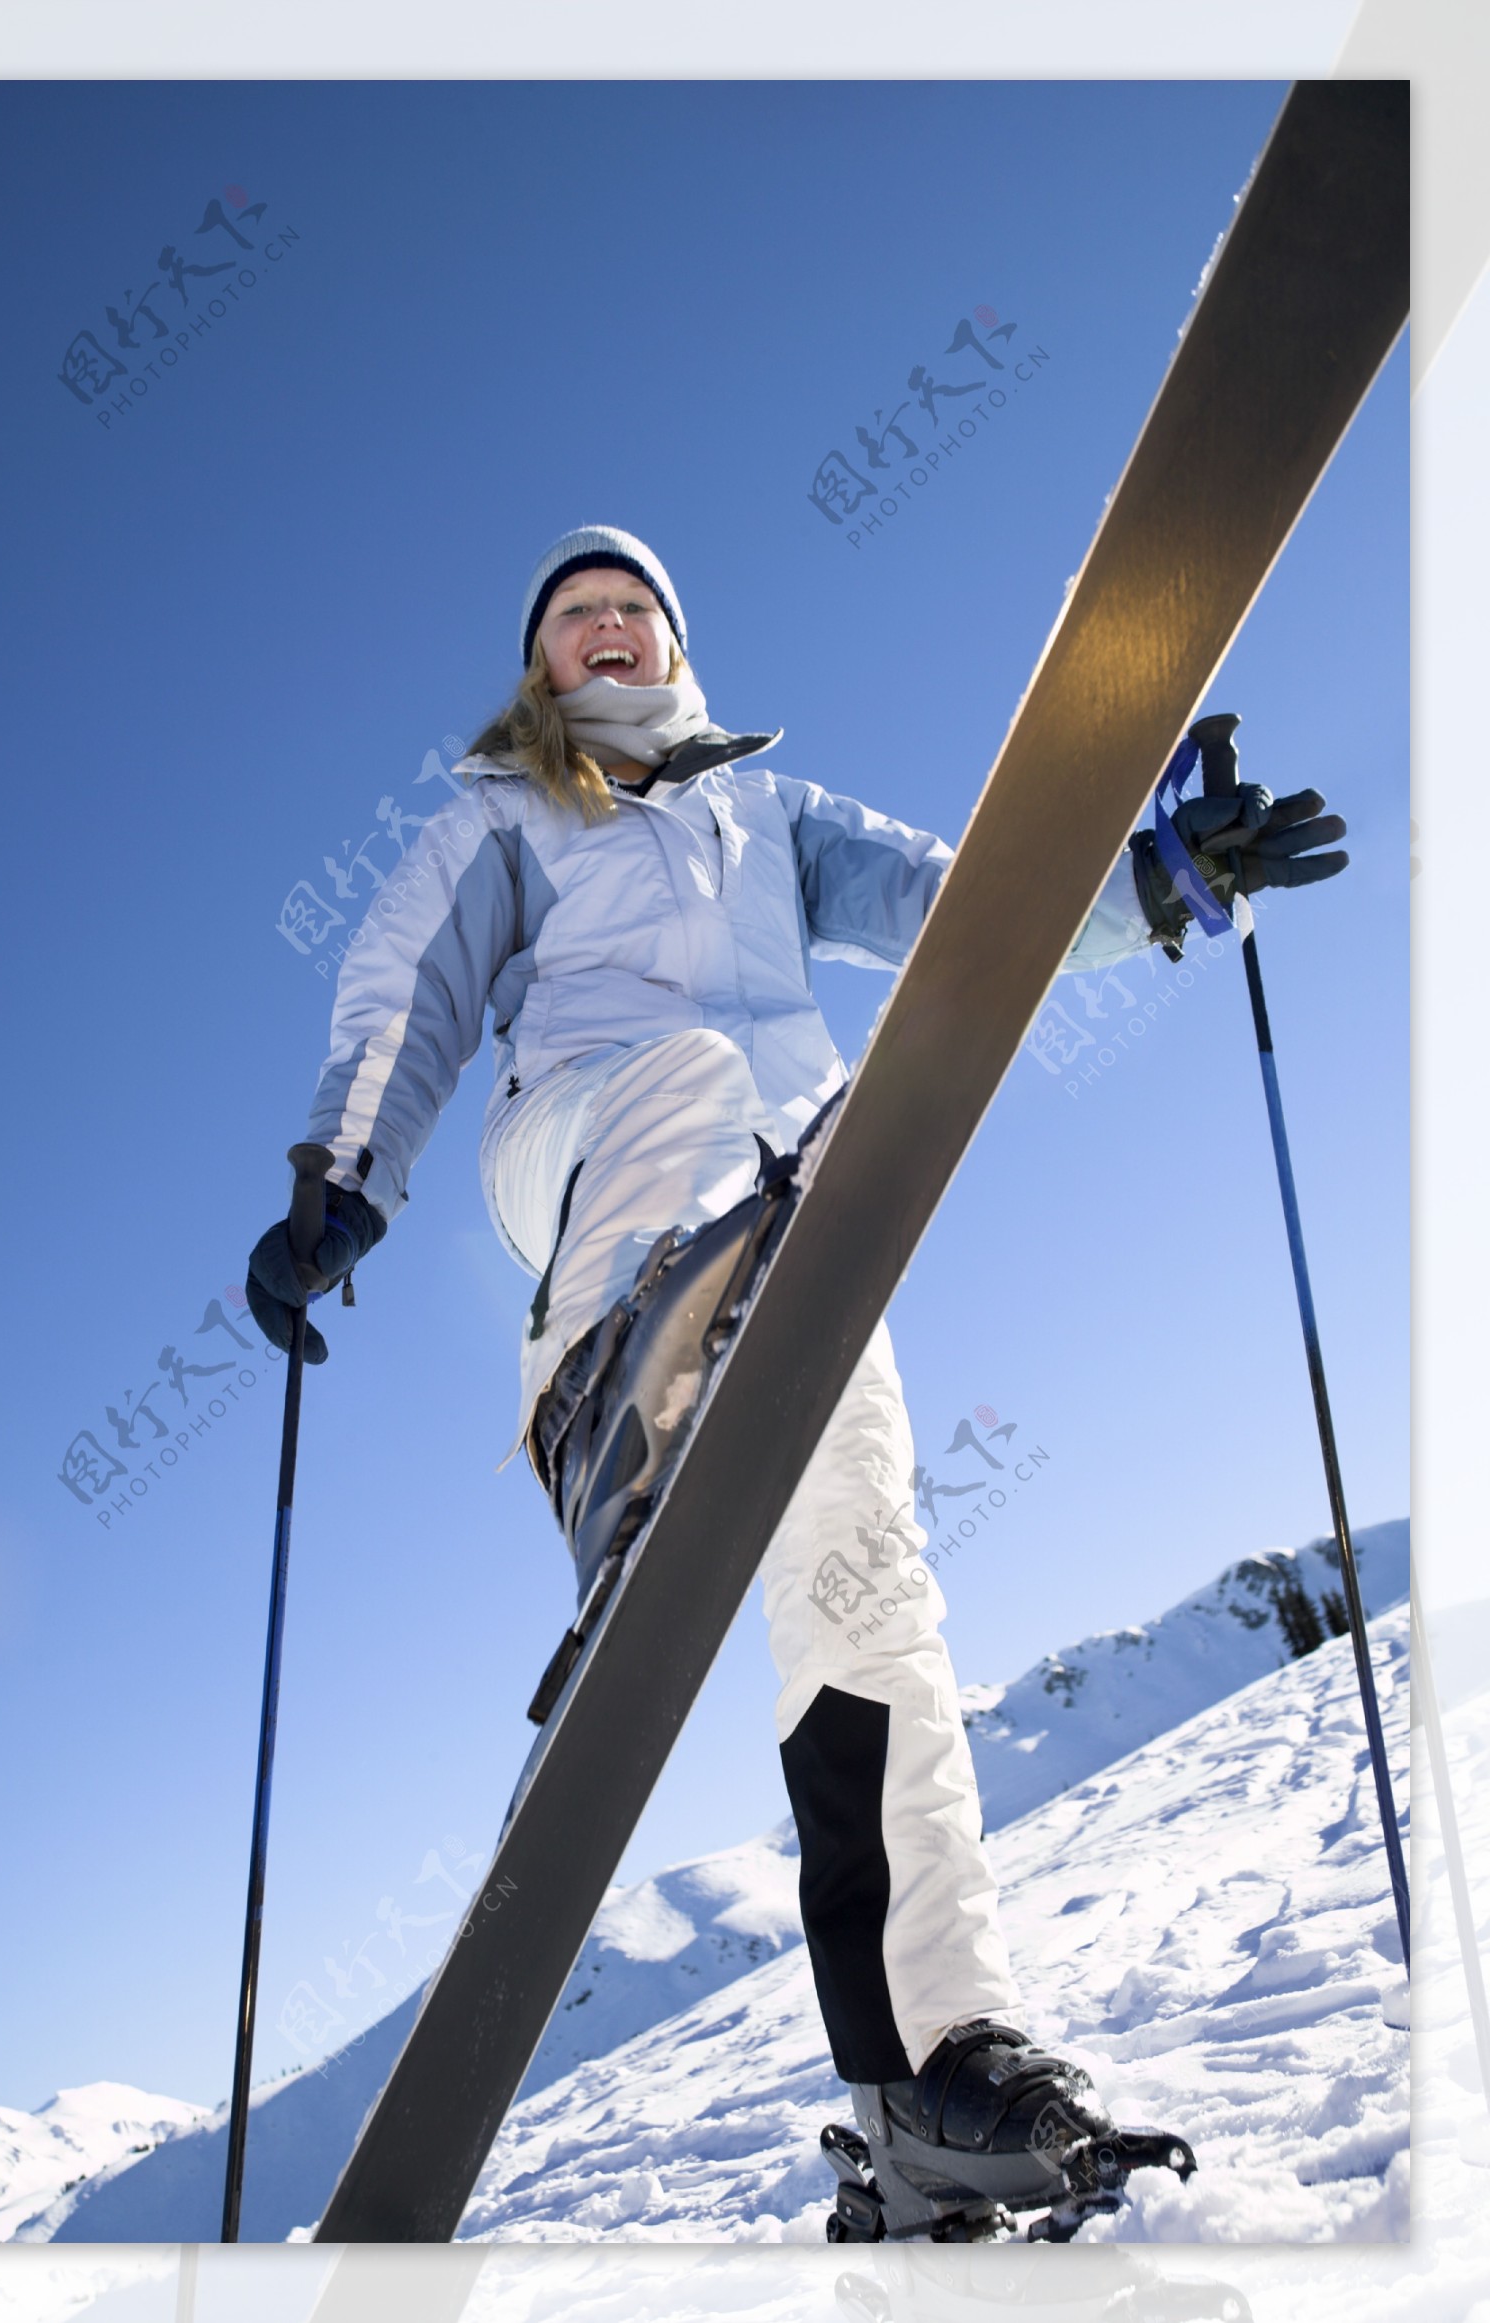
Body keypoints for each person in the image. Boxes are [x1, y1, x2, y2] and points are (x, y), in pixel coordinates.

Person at [247, 525, 1347, 2232]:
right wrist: (344, 1174)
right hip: (595, 1152)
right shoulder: (506, 814)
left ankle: (932, 2070)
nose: (605, 633)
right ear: (542, 669)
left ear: (673, 644)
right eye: (573, 620)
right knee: (683, 1075)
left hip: (800, 1223)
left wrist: (1146, 884)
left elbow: (962, 904)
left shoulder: (775, 811)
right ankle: (615, 1416)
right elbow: (409, 999)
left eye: (632, 612)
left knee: (873, 1605)